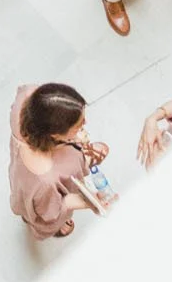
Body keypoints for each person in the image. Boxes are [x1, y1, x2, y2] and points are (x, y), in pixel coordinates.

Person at [9, 83, 112, 239]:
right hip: (43, 199)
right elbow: (51, 212)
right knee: (40, 214)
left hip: (23, 182)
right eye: (78, 125)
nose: (85, 123)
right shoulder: (46, 179)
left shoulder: (29, 98)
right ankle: (39, 221)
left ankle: (27, 213)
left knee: (29, 202)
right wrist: (87, 202)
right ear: (55, 135)